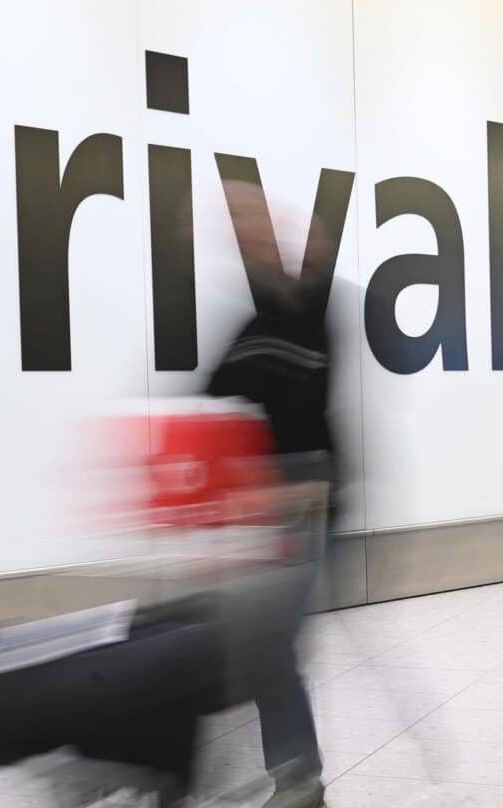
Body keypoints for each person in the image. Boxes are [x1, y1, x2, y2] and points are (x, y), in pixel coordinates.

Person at [206, 179, 337, 808]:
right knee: (257, 642)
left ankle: (298, 775)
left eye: (255, 222)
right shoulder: (254, 327)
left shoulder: (308, 313)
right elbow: (216, 393)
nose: (247, 233)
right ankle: (291, 771)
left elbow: (304, 397)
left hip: (303, 496)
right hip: (261, 498)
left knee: (269, 642)